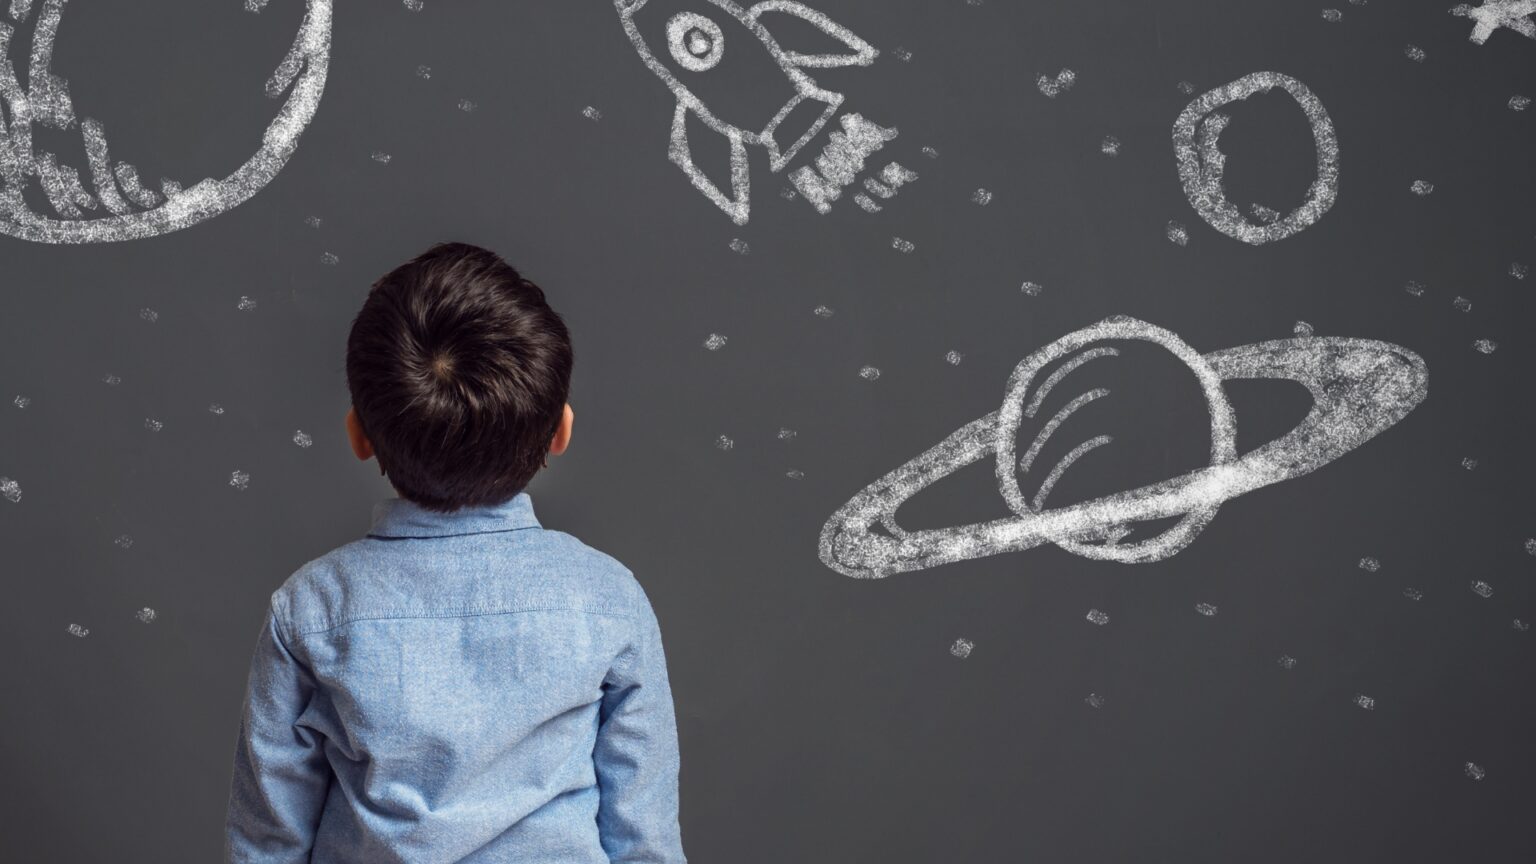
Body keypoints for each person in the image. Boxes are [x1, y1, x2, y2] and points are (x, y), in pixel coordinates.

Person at [224, 242, 686, 863]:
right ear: (561, 430)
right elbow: (645, 841)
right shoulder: (606, 598)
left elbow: (268, 845)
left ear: (358, 433)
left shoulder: (311, 608)